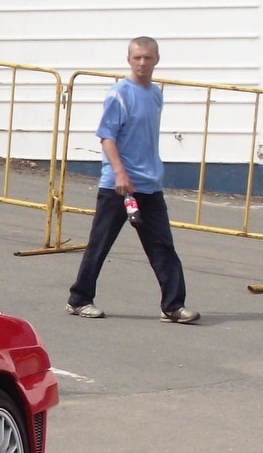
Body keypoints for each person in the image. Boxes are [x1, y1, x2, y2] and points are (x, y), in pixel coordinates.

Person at [67, 36, 199, 323]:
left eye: (148, 57)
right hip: (119, 185)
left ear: (156, 60)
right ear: (129, 60)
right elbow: (107, 136)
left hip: (149, 185)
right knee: (100, 243)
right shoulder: (119, 94)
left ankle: (173, 306)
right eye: (137, 57)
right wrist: (120, 173)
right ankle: (79, 299)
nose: (142, 62)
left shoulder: (155, 94)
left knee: (163, 246)